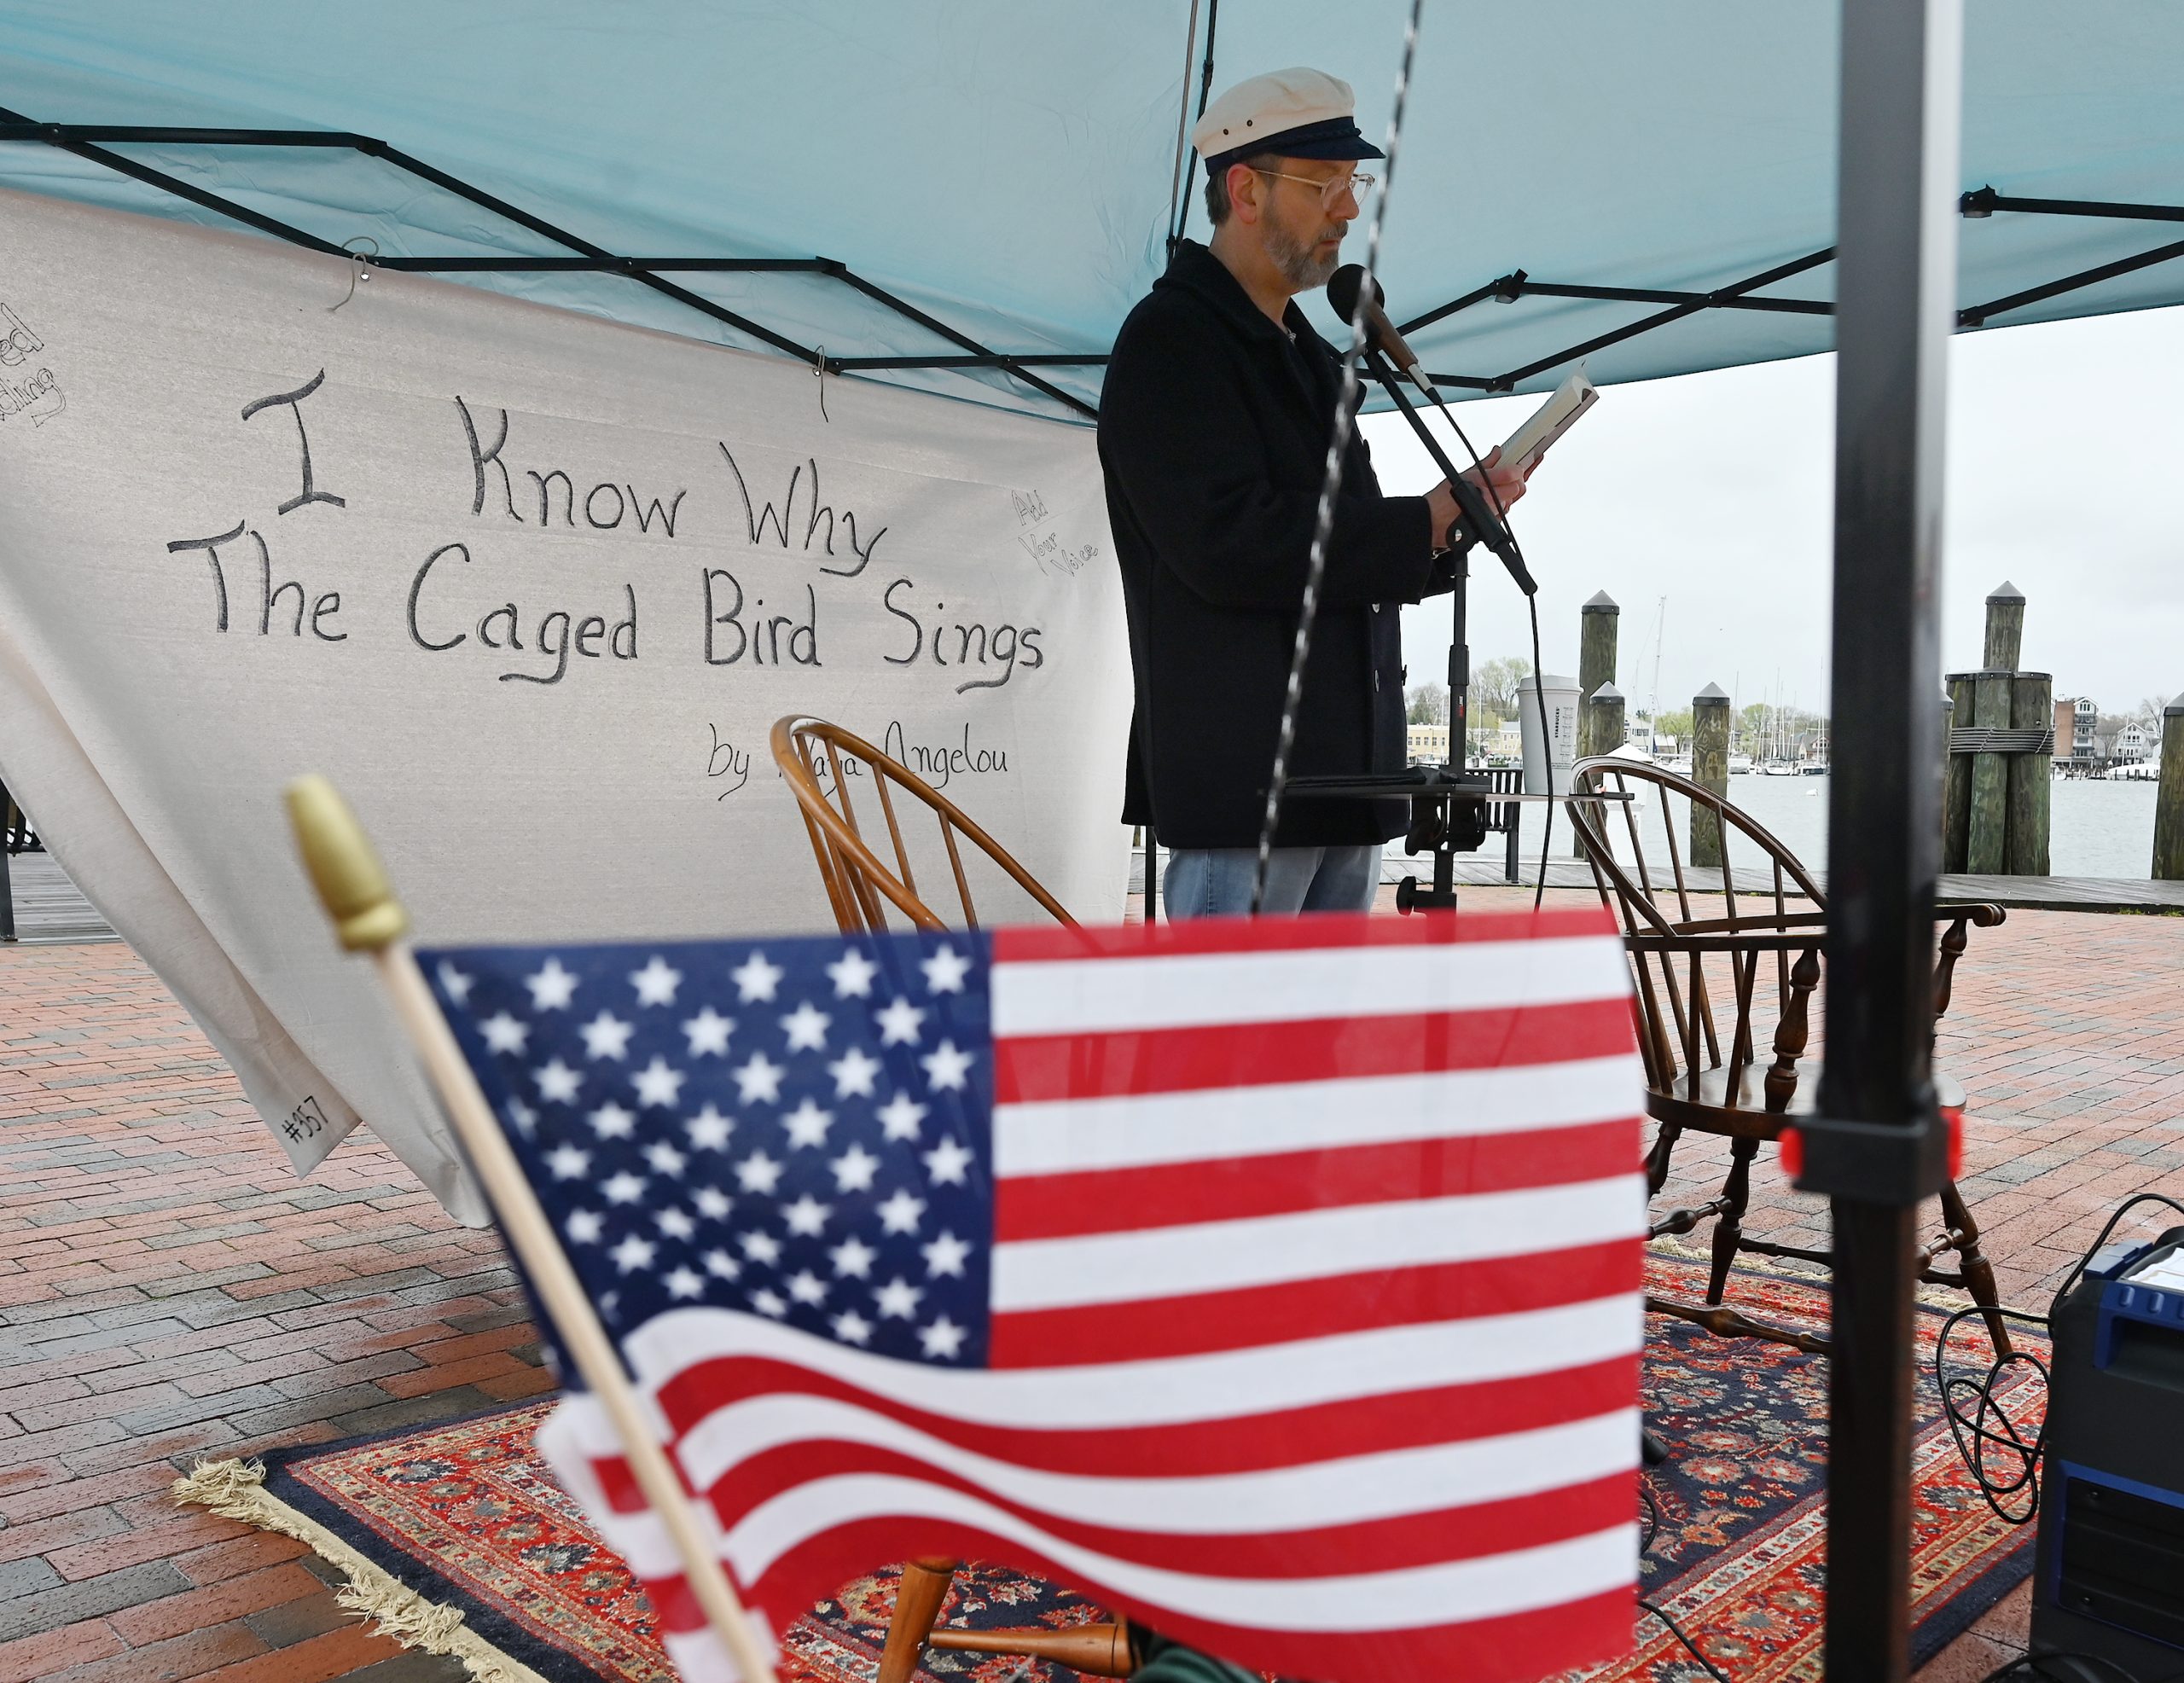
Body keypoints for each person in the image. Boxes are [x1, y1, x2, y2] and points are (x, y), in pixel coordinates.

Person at [1099, 67, 1525, 920]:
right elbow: (1229, 544)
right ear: (1244, 189)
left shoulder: (1309, 358)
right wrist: (1416, 527)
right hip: (1248, 784)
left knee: (1318, 1049)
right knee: (1229, 1050)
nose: (1348, 208)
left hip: (1338, 771)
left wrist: (1444, 526)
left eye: (1352, 183)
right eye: (1325, 184)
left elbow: (1343, 537)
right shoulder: (1173, 341)